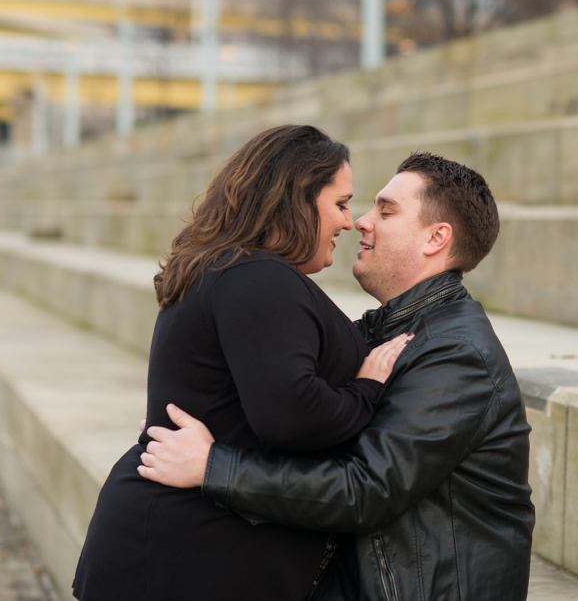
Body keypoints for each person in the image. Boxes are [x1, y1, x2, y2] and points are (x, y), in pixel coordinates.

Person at [139, 153, 536, 601]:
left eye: (386, 211)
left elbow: (366, 489)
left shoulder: (457, 355)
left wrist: (211, 466)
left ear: (436, 238)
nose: (361, 222)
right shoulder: (384, 330)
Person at [72, 125, 412, 601]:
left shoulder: (236, 269)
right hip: (186, 556)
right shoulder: (257, 277)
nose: (349, 222)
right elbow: (291, 416)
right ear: (296, 199)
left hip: (182, 546)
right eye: (339, 204)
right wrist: (366, 388)